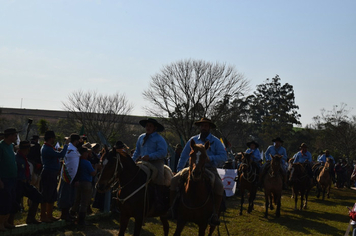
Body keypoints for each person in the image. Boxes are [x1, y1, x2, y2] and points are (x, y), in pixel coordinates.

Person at [171, 118, 227, 226]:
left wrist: (210, 158)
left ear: (209, 127)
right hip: (192, 168)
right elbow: (183, 156)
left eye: (206, 126)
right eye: (202, 126)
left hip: (209, 169)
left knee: (219, 186)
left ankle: (214, 213)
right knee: (174, 180)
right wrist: (179, 170)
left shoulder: (215, 141)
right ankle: (172, 208)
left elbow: (224, 156)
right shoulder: (193, 140)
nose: (203, 128)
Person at [132, 118, 168, 211]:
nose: (148, 127)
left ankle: (160, 202)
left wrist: (150, 156)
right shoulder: (141, 137)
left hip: (156, 163)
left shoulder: (159, 139)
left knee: (159, 179)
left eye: (150, 126)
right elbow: (137, 151)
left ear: (155, 128)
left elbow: (163, 152)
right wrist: (132, 162)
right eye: (147, 125)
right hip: (143, 162)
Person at [40, 130, 69, 223]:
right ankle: (43, 215)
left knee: (52, 195)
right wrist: (65, 145)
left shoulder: (49, 148)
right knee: (46, 195)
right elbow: (61, 155)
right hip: (48, 173)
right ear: (51, 138)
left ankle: (49, 214)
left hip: (52, 173)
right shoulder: (46, 148)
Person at [15, 141, 44, 224]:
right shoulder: (17, 159)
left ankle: (30, 218)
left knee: (37, 196)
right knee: (15, 204)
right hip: (19, 183)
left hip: (26, 183)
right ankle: (9, 221)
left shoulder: (24, 158)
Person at [71, 146, 99, 226]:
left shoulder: (78, 161)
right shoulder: (87, 162)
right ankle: (81, 220)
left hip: (79, 182)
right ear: (83, 153)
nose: (88, 154)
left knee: (77, 200)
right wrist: (96, 168)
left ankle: (72, 213)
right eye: (86, 152)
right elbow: (93, 173)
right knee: (84, 202)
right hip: (87, 183)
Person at [58, 133, 81, 222]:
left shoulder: (73, 149)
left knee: (70, 196)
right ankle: (64, 214)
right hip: (67, 175)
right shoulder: (71, 149)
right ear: (75, 141)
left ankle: (67, 213)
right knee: (65, 195)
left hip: (71, 176)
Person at [0, 128, 20, 231]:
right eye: (15, 135)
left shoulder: (11, 146)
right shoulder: (1, 146)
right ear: (10, 136)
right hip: (4, 179)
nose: (16, 137)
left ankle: (6, 222)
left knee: (11, 201)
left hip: (12, 178)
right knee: (4, 201)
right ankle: (0, 223)